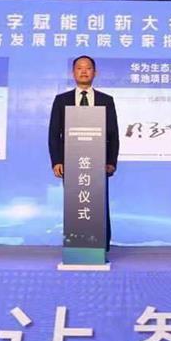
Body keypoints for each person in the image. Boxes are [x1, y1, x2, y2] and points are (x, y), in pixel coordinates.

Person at [48, 55, 119, 250]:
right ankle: (77, 246)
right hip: (71, 164)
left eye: (88, 68)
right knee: (75, 203)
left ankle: (101, 246)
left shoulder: (106, 100)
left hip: (98, 163)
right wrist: (57, 161)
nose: (84, 71)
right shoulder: (62, 100)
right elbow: (54, 134)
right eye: (79, 68)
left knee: (99, 204)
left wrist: (111, 161)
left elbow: (113, 134)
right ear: (73, 73)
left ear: (95, 73)